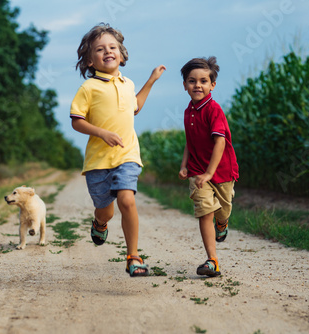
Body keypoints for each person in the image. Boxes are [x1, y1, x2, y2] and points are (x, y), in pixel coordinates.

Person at [70, 23, 166, 277]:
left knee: (127, 200)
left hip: (127, 155)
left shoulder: (127, 83)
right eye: (100, 49)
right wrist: (102, 133)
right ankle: (100, 223)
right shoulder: (88, 88)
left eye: (113, 47)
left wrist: (151, 80)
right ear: (90, 60)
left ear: (122, 55)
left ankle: (133, 256)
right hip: (98, 161)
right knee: (106, 209)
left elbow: (135, 106)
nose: (108, 51)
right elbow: (76, 120)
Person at [178, 57, 239, 277]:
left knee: (223, 211)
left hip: (221, 172)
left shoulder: (213, 110)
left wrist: (210, 172)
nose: (197, 85)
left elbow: (220, 141)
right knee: (205, 212)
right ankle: (212, 260)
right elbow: (190, 141)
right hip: (197, 171)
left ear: (212, 84)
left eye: (203, 81)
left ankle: (222, 224)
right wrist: (185, 166)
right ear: (184, 84)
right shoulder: (188, 112)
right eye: (192, 81)